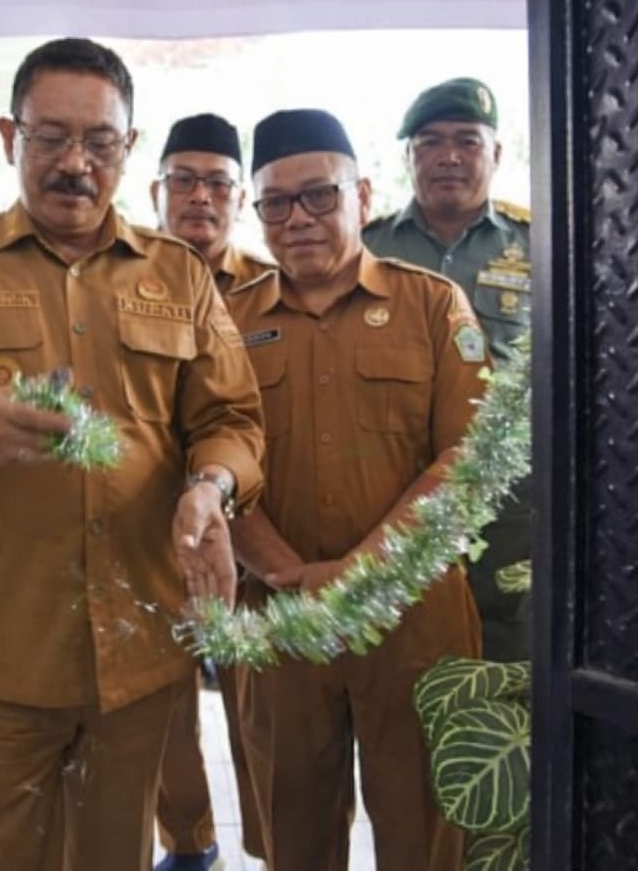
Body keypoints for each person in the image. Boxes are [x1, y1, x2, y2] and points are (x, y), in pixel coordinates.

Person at [0, 37, 266, 870]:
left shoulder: (178, 274)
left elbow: (232, 417)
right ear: (11, 138)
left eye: (100, 143)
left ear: (128, 150)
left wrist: (210, 487)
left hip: (137, 654)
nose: (75, 164)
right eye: (50, 139)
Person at [226, 109, 487, 871]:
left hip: (413, 618)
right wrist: (283, 571)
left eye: (318, 195)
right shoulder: (226, 323)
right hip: (281, 619)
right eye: (276, 202)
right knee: (292, 825)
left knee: (426, 833)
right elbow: (205, 452)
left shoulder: (433, 306)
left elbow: (466, 460)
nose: (298, 218)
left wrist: (360, 571)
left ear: (362, 194)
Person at [361, 77, 533, 661]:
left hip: (509, 497)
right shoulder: (367, 248)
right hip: (396, 488)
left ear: (497, 153)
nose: (450, 157)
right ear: (409, 156)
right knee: (400, 644)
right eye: (430, 142)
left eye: (468, 140)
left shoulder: (542, 245)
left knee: (508, 648)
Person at [147, 113, 271, 871]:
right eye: (184, 181)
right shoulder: (119, 281)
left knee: (261, 715)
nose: (201, 197)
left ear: (240, 196)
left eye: (218, 183)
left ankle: (272, 844)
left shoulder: (270, 285)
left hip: (253, 536)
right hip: (147, 537)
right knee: (161, 711)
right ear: (155, 189)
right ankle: (189, 847)